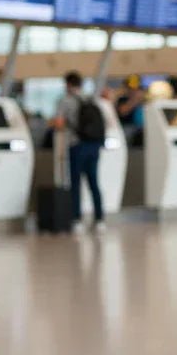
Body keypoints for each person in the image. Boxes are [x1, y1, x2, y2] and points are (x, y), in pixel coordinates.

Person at [53, 71, 105, 235]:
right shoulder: (90, 98)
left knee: (75, 183)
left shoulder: (65, 100)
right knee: (94, 182)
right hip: (94, 145)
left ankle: (77, 220)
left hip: (77, 145)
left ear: (68, 84)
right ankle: (99, 220)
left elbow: (59, 123)